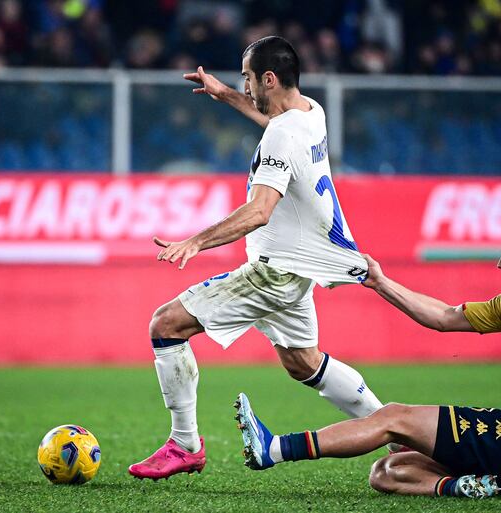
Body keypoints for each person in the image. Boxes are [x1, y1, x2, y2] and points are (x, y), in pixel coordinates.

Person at [128, 36, 388, 480]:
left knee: (166, 325)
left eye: (247, 78)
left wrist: (196, 241)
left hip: (274, 273)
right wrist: (226, 95)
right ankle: (397, 430)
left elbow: (259, 211)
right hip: (299, 268)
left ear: (268, 78)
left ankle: (184, 445)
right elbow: (272, 121)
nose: (244, 86)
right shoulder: (311, 112)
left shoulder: (283, 134)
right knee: (304, 362)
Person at [235, 222, 501, 498]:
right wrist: (381, 283)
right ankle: (463, 487)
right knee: (386, 471)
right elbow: (443, 317)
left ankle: (275, 449)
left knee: (394, 417)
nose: (500, 264)